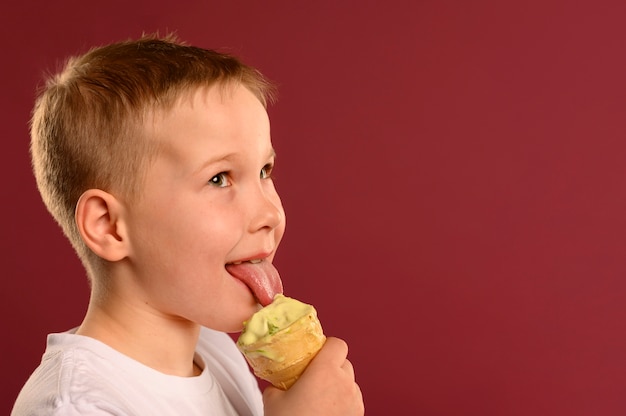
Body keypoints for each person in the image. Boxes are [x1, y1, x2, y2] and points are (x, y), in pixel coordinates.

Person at [12, 34, 364, 415]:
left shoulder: (216, 349)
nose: (270, 214)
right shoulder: (76, 407)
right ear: (109, 225)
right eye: (219, 178)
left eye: (264, 170)